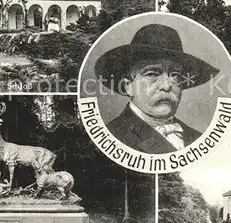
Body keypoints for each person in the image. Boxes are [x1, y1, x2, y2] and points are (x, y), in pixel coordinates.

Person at [94, 24, 220, 154]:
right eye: (151, 74)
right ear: (128, 86)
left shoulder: (198, 139)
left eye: (175, 76)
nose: (166, 86)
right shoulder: (110, 137)